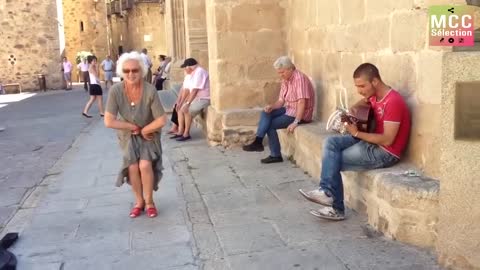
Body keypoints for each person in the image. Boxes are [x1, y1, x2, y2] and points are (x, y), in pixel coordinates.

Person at [299, 63, 411, 221]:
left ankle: (334, 205)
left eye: (362, 86)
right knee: (330, 143)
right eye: (357, 86)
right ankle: (327, 193)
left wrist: (357, 133)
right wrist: (352, 110)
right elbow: (360, 105)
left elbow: (387, 139)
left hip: (384, 152)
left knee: (333, 159)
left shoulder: (393, 101)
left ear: (375, 81)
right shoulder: (374, 96)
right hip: (370, 141)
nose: (359, 90)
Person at [104, 51, 167, 218]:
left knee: (145, 165)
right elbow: (109, 121)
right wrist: (131, 126)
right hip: (128, 135)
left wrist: (145, 129)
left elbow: (161, 119)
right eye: (126, 71)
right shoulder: (116, 91)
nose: (131, 74)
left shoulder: (149, 90)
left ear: (141, 71)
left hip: (149, 133)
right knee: (132, 166)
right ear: (121, 72)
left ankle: (149, 202)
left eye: (135, 70)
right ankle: (139, 202)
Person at [242, 56, 315, 164]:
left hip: (300, 114)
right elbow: (281, 101)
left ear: (290, 68)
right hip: (289, 109)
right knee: (266, 112)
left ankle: (275, 155)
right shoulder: (286, 79)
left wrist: (296, 122)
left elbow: (301, 102)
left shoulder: (299, 78)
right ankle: (258, 141)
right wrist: (272, 106)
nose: (281, 75)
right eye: (279, 73)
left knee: (270, 125)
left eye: (282, 72)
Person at [170, 58, 210, 142]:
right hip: (196, 98)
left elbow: (195, 90)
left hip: (204, 98)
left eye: (185, 67)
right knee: (180, 108)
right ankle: (180, 131)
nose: (184, 69)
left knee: (187, 110)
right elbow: (186, 90)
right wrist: (180, 102)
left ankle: (186, 133)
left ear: (189, 67)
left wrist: (187, 103)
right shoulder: (191, 74)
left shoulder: (199, 72)